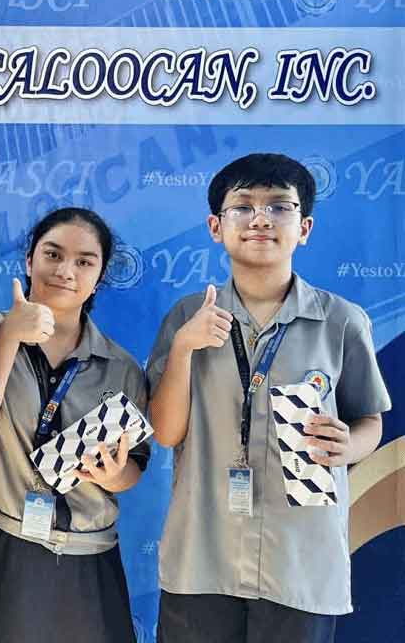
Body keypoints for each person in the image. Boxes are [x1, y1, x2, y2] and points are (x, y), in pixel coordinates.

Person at [148, 153, 391, 642]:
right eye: (243, 206)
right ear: (216, 226)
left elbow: (370, 421)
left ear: (305, 228)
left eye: (280, 206)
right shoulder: (187, 316)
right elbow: (166, 432)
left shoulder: (341, 321)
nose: (260, 219)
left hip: (299, 560)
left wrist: (350, 445)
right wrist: (184, 349)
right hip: (203, 555)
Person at [0, 207, 147, 643]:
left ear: (99, 277)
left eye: (84, 261)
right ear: (29, 261)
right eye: (53, 254)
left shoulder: (120, 367)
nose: (66, 271)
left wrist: (113, 474)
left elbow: (134, 468)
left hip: (86, 558)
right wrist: (10, 335)